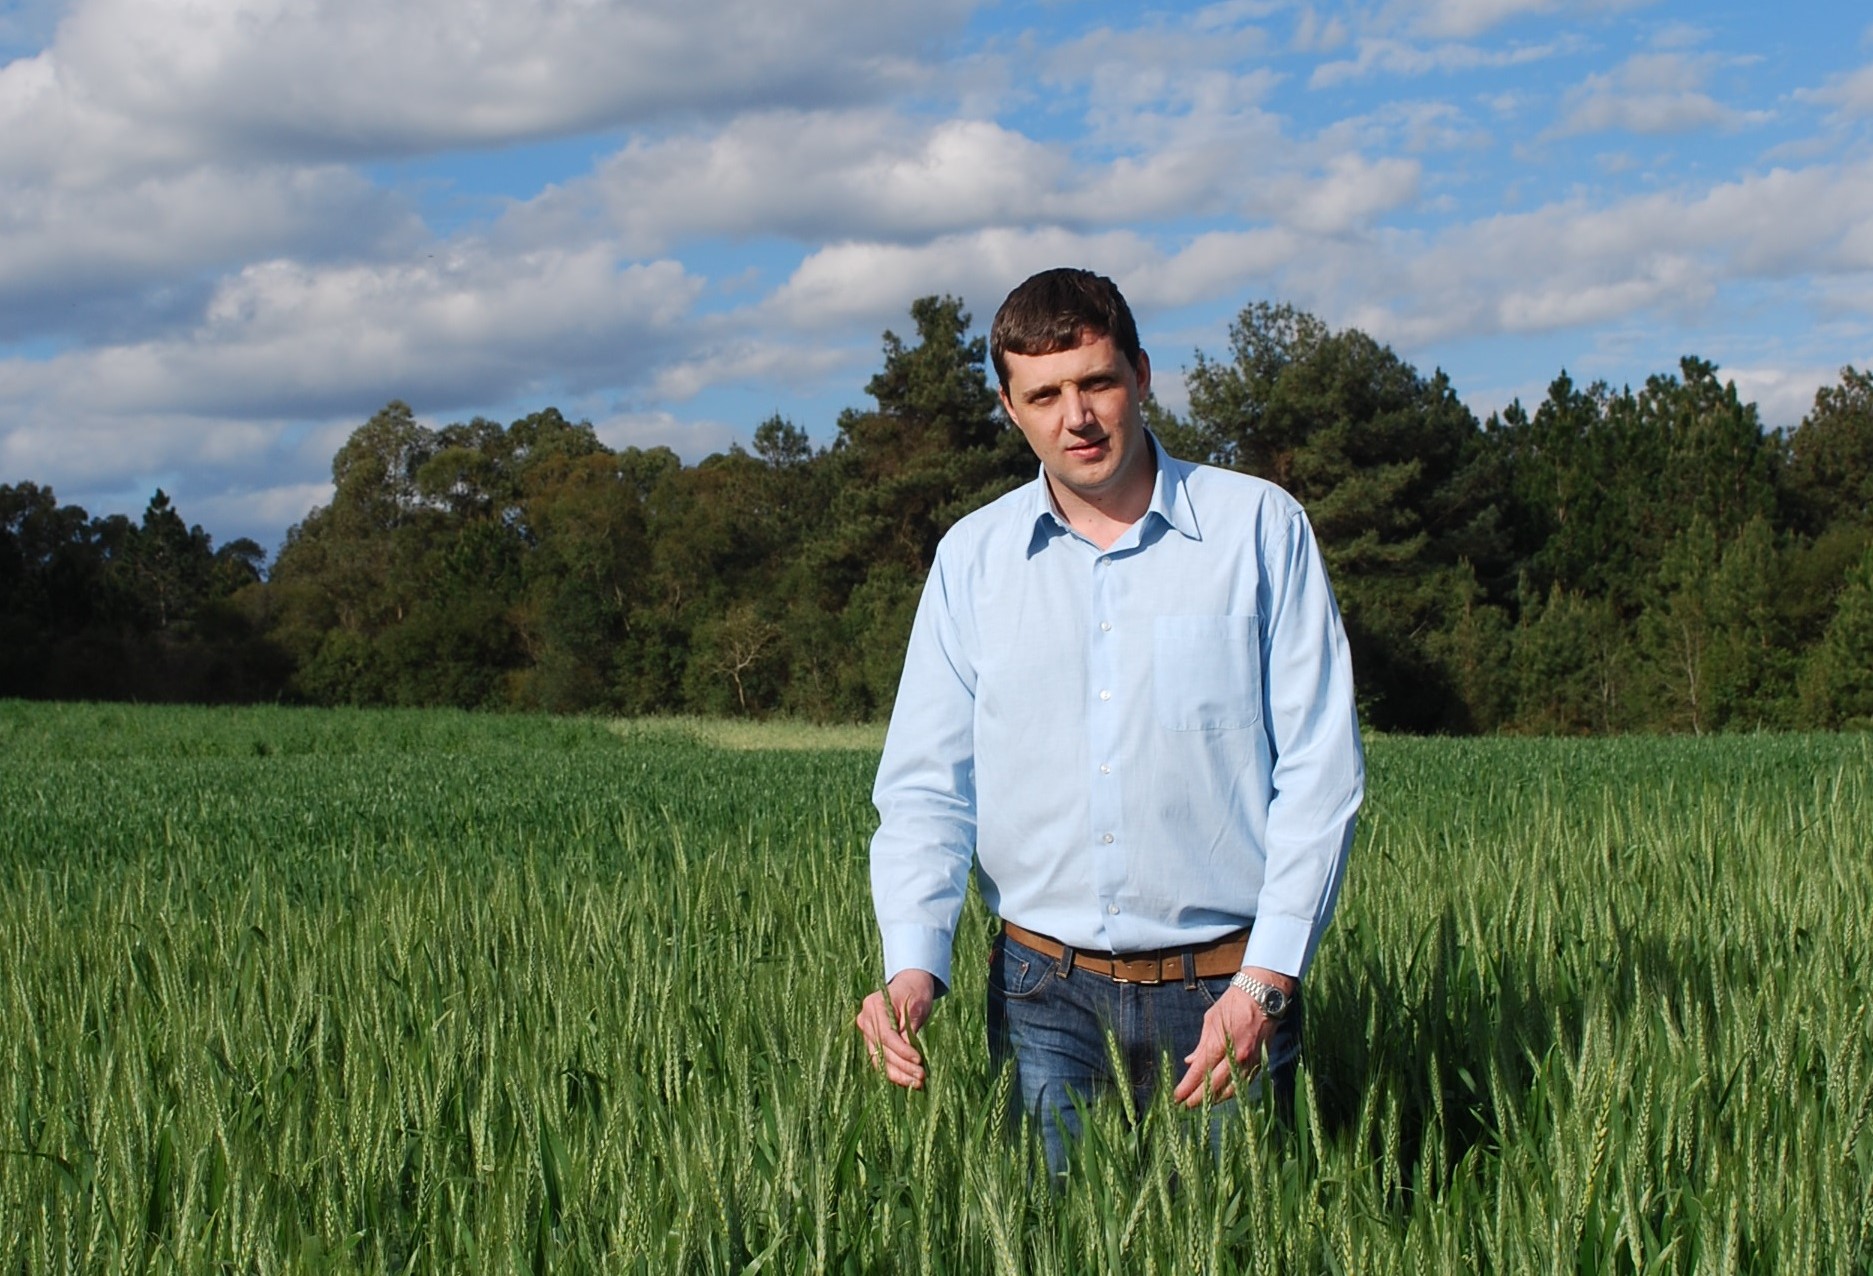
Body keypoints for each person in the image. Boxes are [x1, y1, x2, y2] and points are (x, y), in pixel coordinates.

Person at [854, 267, 1363, 1176]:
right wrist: (912, 962)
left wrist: (1269, 980)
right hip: (1040, 989)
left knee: (1236, 1244)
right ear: (1011, 409)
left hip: (1227, 985)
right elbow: (929, 786)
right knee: (1051, 1244)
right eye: (1043, 395)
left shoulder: (1258, 528)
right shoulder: (971, 560)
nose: (1075, 417)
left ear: (1141, 374)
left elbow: (1319, 775)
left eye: (1095, 382)